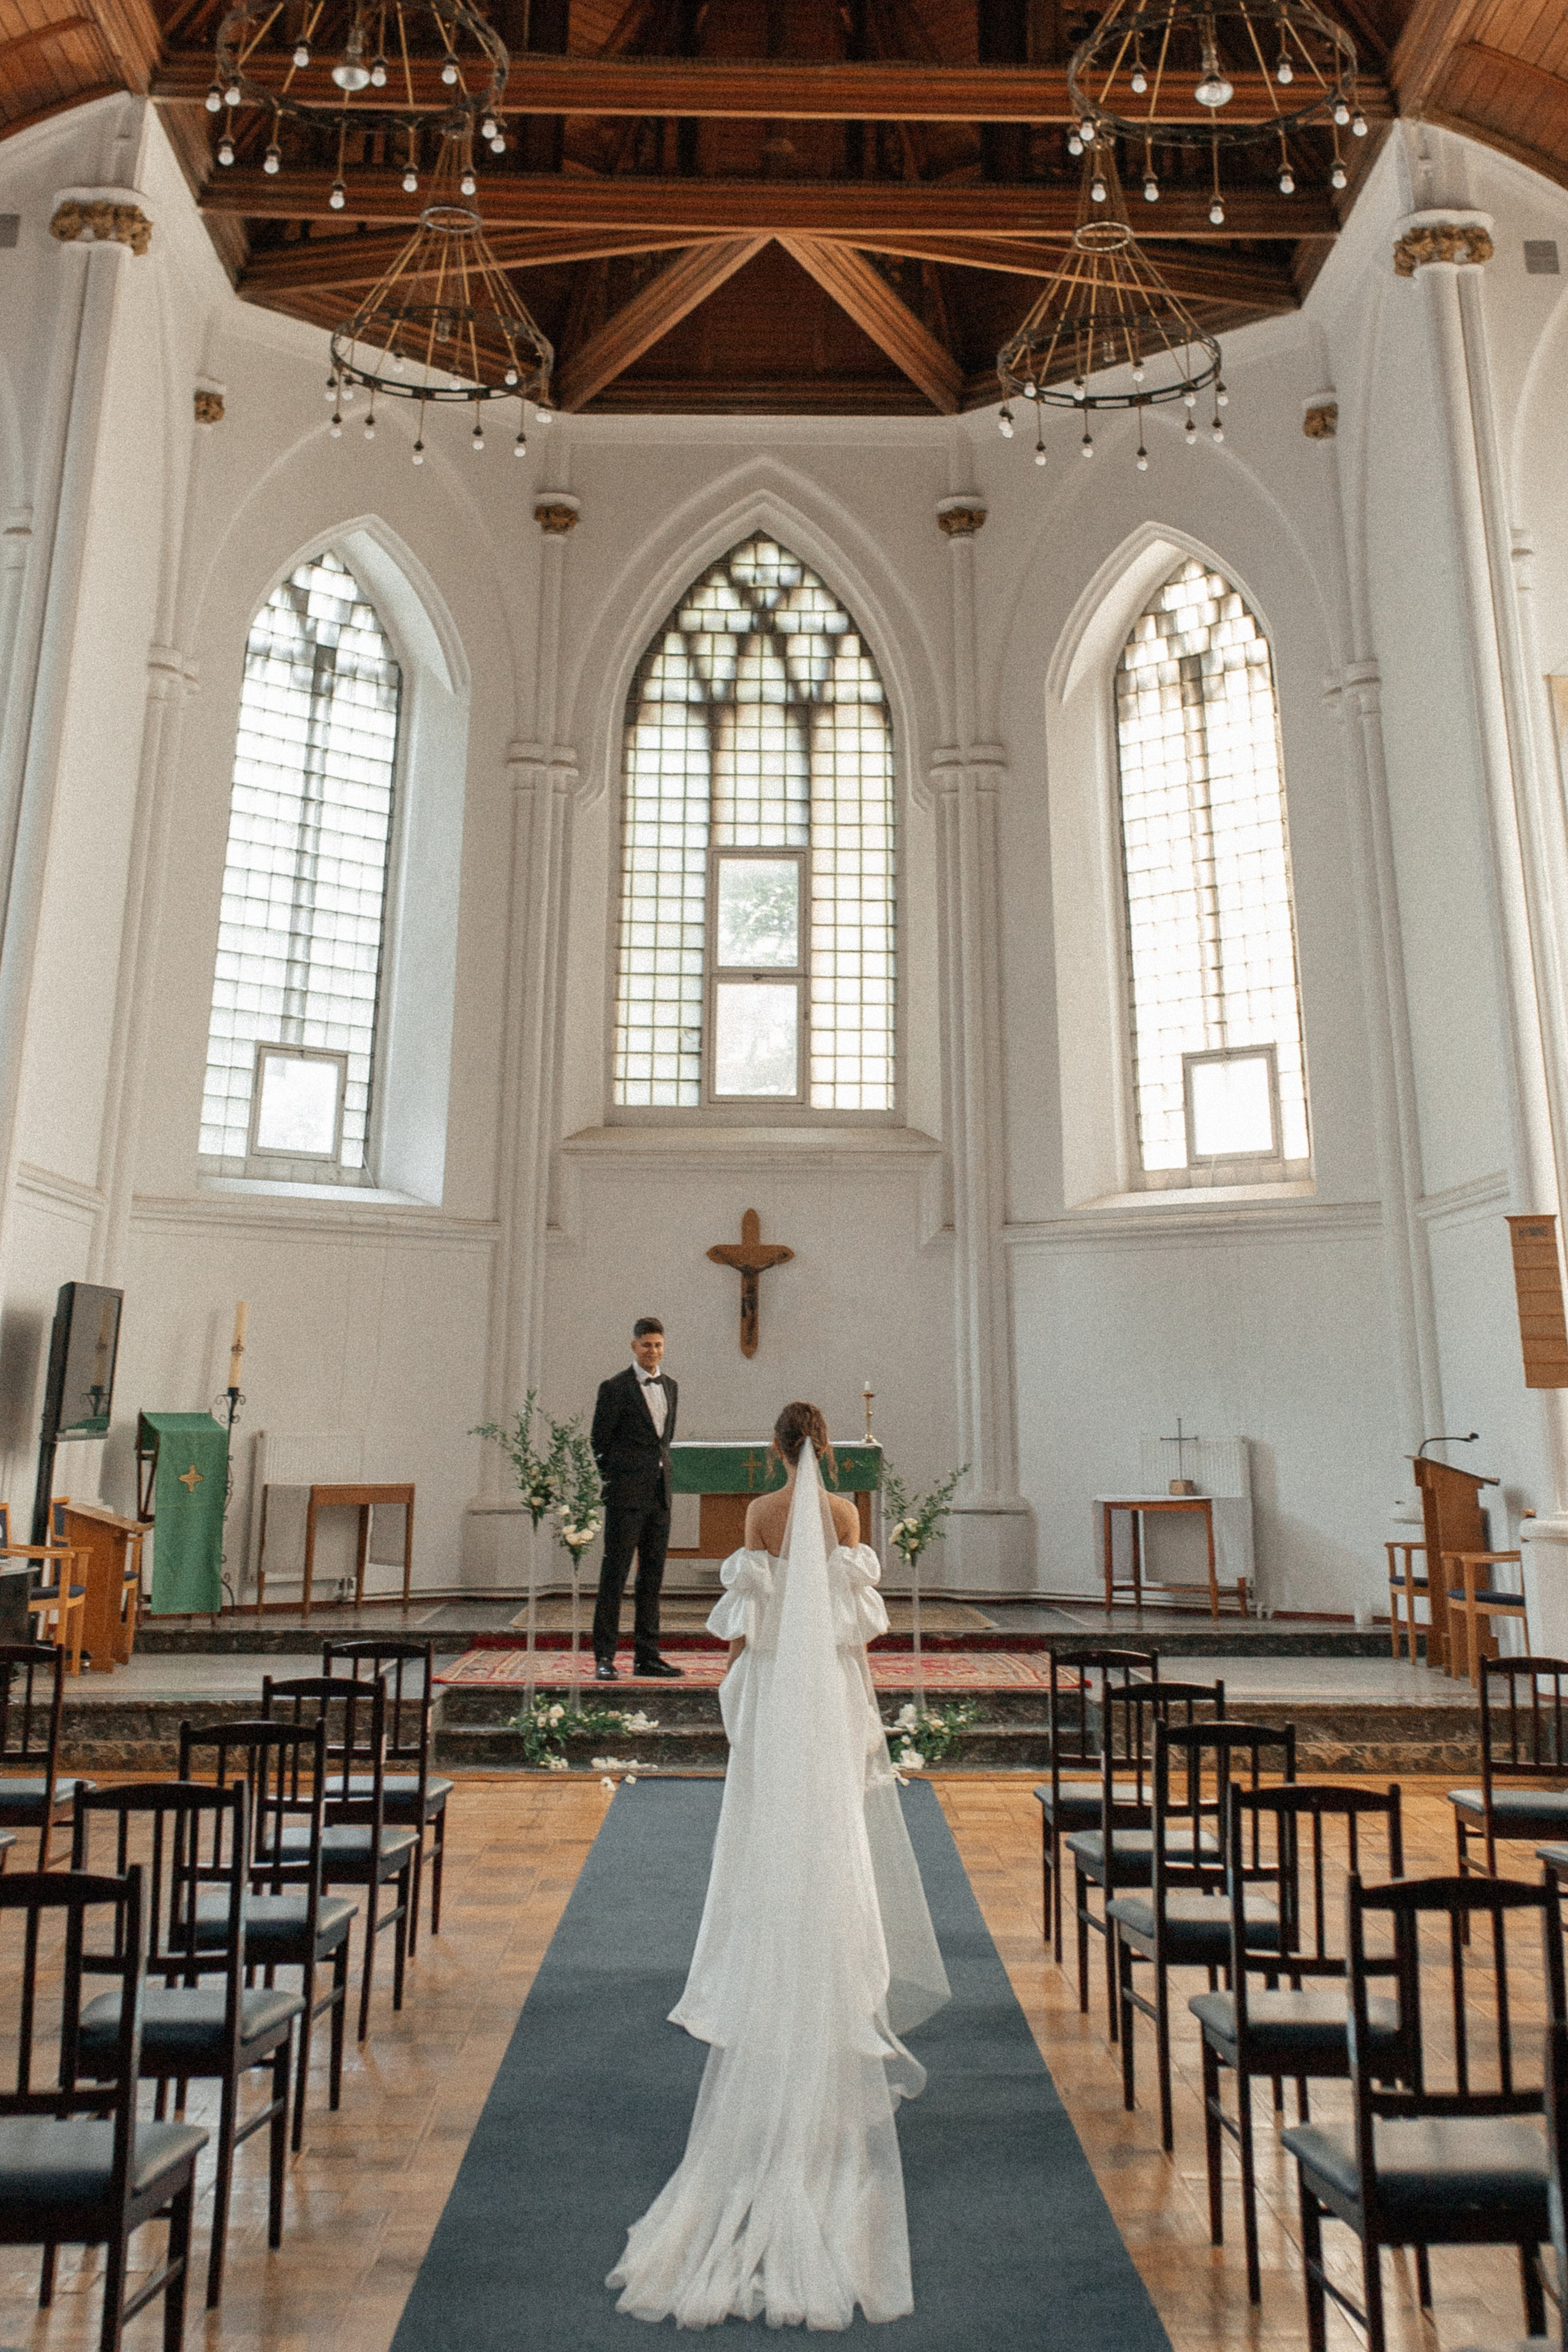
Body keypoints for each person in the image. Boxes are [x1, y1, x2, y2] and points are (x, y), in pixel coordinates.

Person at [607, 1401, 951, 2331]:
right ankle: (844, 1962)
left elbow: (747, 1621)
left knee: (768, 1819)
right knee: (836, 1821)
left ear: (773, 1448)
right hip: (832, 1690)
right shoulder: (844, 1514)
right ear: (827, 1447)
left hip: (776, 1691)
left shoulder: (760, 1514)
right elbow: (854, 1621)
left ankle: (764, 1949)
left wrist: (750, 1671)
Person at [590, 1318, 682, 1681]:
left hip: (659, 1496)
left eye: (658, 1345)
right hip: (625, 1497)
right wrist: (619, 1481)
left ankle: (647, 1656)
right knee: (614, 1577)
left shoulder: (671, 1386)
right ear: (634, 1346)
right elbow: (599, 1442)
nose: (653, 1351)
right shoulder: (615, 1388)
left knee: (652, 1578)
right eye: (646, 1345)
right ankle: (604, 1657)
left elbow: (664, 1441)